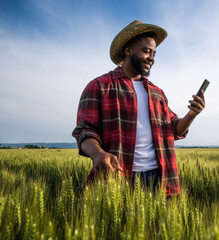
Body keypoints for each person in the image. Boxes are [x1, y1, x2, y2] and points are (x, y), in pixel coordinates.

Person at [72, 20, 205, 197]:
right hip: (119, 176)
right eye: (147, 51)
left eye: (154, 53)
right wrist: (97, 154)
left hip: (160, 177)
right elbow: (85, 131)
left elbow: (173, 130)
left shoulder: (157, 93)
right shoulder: (99, 86)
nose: (152, 57)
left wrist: (192, 114)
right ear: (128, 51)